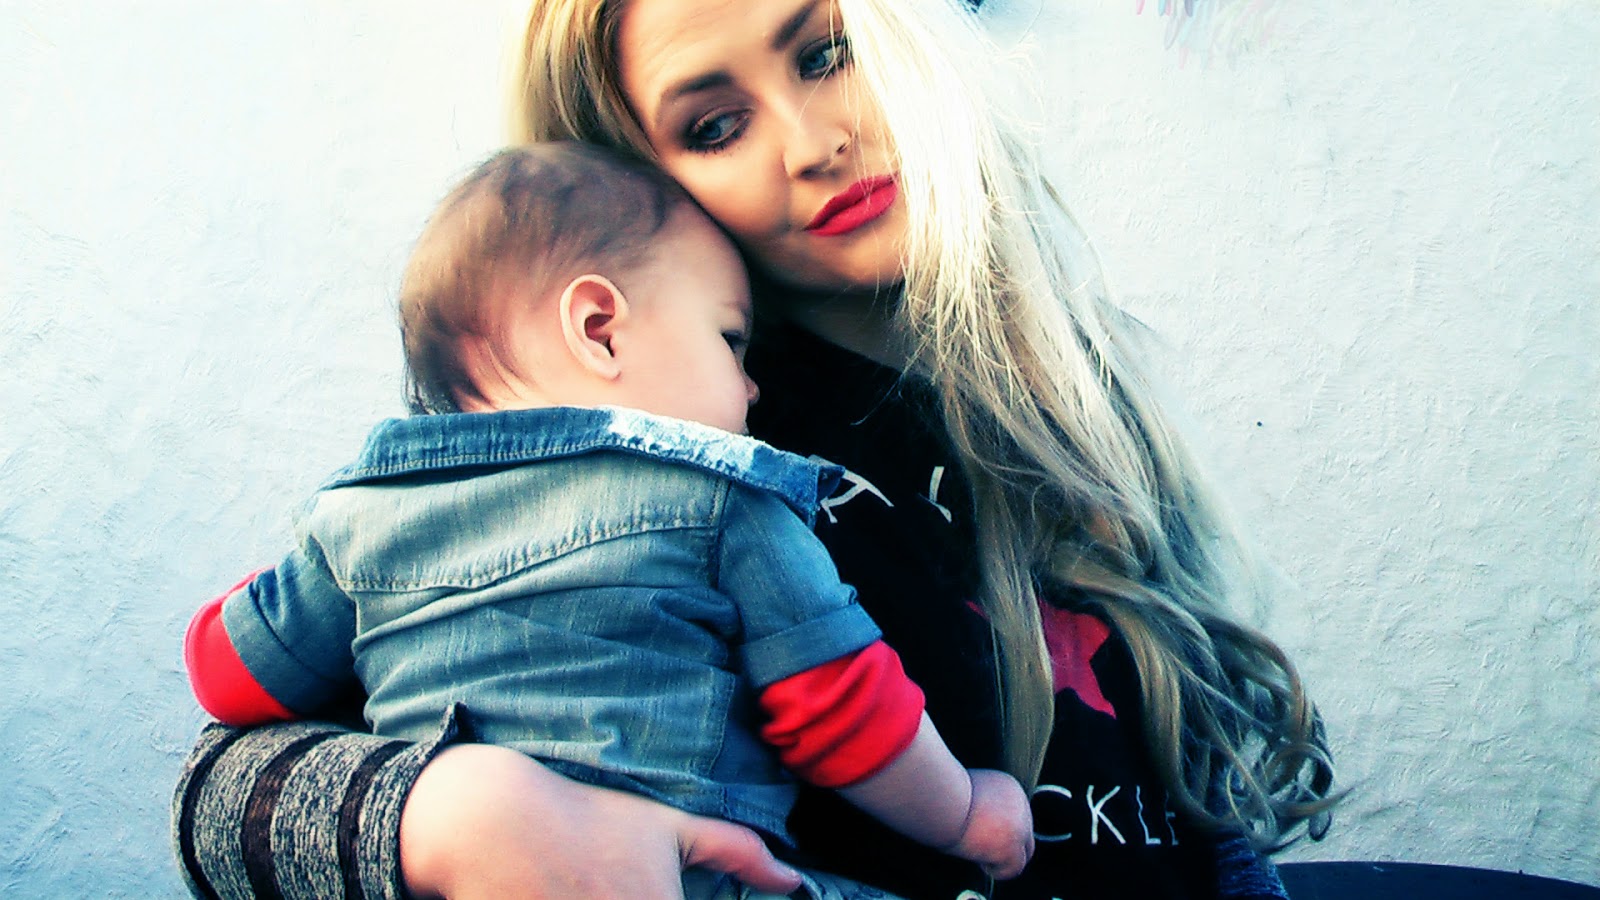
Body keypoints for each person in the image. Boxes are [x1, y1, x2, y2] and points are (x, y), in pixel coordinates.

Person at [172, 1, 1339, 898]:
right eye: (715, 125)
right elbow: (215, 796)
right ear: (643, 187)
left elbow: (1193, 806)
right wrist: (457, 814)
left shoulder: (1068, 390)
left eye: (825, 53)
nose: (816, 141)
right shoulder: (676, 450)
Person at [181, 142, 1034, 896]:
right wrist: (964, 813)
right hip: (693, 877)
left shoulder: (359, 519)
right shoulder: (721, 501)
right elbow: (842, 711)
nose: (751, 388)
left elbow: (232, 677)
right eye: (731, 340)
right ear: (600, 330)